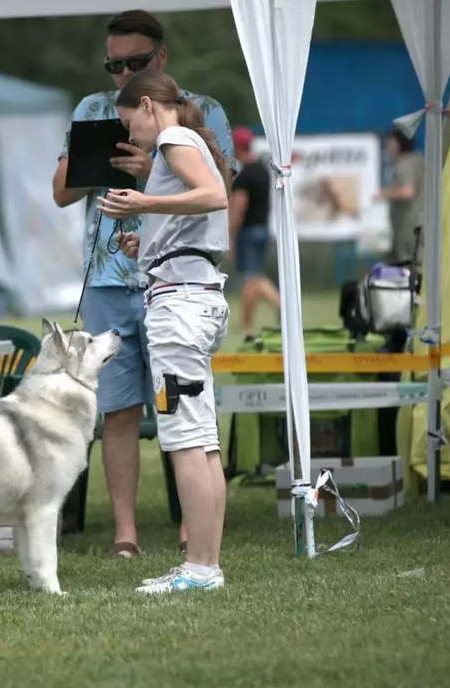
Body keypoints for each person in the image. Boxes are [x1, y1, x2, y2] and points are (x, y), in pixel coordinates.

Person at [51, 8, 233, 558]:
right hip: (118, 276)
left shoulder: (194, 120)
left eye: (134, 64)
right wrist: (104, 165)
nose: (122, 76)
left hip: (178, 288)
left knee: (184, 422)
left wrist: (149, 174)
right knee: (123, 410)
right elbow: (60, 192)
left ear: (159, 63)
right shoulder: (92, 108)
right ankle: (128, 534)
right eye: (114, 64)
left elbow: (219, 188)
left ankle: (194, 544)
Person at [99, 69, 231, 593]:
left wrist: (144, 204)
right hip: (193, 293)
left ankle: (199, 569)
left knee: (184, 441)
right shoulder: (189, 140)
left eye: (132, 127)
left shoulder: (175, 138)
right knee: (204, 441)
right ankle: (205, 563)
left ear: (149, 106)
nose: (134, 139)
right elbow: (200, 209)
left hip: (179, 308)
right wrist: (148, 242)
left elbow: (211, 196)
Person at [228, 125, 280, 336]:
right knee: (251, 278)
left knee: (251, 278)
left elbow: (239, 207)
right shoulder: (262, 170)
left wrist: (230, 235)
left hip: (247, 231)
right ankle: (246, 323)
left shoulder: (244, 176)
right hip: (262, 229)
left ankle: (278, 308)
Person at [376, 128, 424, 265]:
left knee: (408, 262)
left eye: (391, 142)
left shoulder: (404, 163)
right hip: (419, 224)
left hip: (409, 226)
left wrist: (384, 193)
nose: (388, 146)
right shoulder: (418, 160)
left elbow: (408, 191)